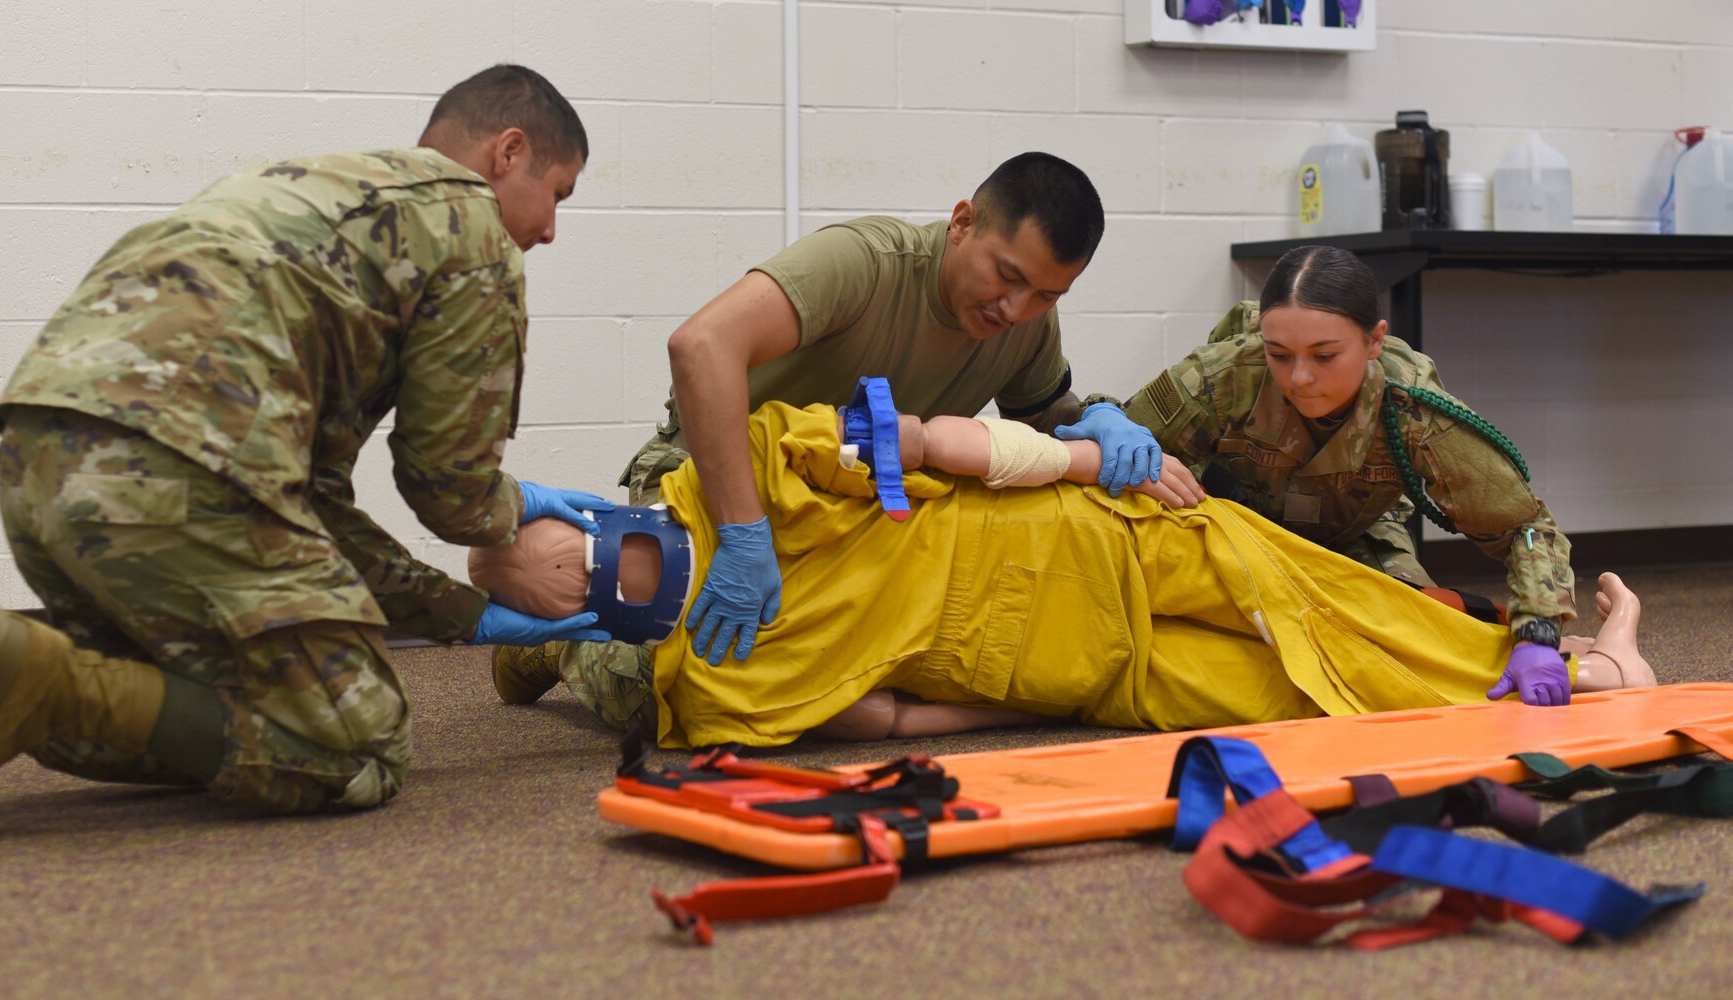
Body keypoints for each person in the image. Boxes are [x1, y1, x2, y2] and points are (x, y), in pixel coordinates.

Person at [0, 64, 611, 831]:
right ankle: (42, 682)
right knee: (354, 741)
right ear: (508, 152)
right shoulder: (472, 230)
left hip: (40, 459)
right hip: (181, 477)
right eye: (558, 195)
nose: (550, 230)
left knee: (162, 687)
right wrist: (515, 510)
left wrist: (459, 618)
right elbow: (448, 489)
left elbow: (310, 508)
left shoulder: (310, 184)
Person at [472, 399, 1652, 749]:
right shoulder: (704, 682)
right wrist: (1028, 707)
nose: (626, 573)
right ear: (592, 620)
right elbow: (882, 714)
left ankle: (1588, 661)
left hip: (1099, 539)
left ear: (611, 511)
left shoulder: (745, 479)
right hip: (1090, 668)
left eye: (601, 547)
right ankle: (1599, 673)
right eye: (594, 584)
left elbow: (936, 441)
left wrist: (1099, 458)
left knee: (1325, 606)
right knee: (1299, 700)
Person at [497, 152, 1200, 726]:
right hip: (722, 478)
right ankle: (563, 641)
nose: (1015, 308)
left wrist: (1105, 420)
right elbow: (700, 346)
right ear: (963, 222)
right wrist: (744, 533)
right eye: (1008, 276)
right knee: (692, 690)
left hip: (852, 518)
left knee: (880, 670)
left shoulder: (1024, 326)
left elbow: (1047, 418)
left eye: (1047, 295)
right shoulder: (864, 262)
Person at [1119, 245, 1579, 713]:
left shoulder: (1416, 410)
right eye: (1279, 354)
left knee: (1412, 643)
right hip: (1234, 530)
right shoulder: (1223, 375)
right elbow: (1123, 446)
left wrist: (1538, 634)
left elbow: (1523, 527)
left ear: (1374, 341)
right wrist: (1109, 431)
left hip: (1354, 534)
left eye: (1325, 356)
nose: (1300, 377)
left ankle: (1583, 652)